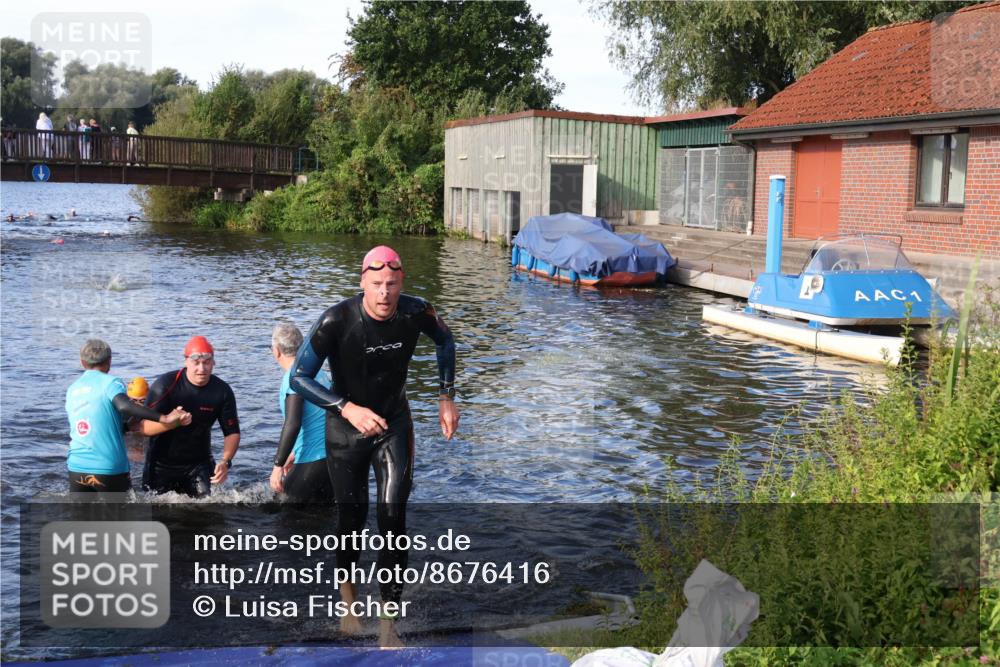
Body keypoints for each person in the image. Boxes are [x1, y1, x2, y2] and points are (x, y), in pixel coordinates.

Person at [289, 245, 459, 648]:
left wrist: (446, 396)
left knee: (393, 520)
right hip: (346, 428)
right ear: (363, 282)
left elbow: (446, 340)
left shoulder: (417, 311)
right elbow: (299, 377)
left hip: (394, 423)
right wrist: (346, 408)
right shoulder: (336, 320)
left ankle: (388, 626)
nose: (385, 293)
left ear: (402, 284)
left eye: (393, 285)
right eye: (377, 284)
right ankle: (349, 606)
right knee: (351, 521)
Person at [66, 339, 190, 493]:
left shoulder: (72, 389)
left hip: (76, 467)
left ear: (82, 362)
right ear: (109, 360)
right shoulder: (111, 383)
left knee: (82, 516)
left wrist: (126, 426)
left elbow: (96, 425)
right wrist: (165, 418)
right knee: (121, 516)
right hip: (108, 469)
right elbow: (124, 405)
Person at [141, 335, 240, 497]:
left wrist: (225, 461)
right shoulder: (165, 385)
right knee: (157, 513)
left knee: (208, 511)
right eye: (196, 362)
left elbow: (232, 432)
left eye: (207, 362)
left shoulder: (222, 391)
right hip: (160, 465)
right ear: (186, 362)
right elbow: (143, 427)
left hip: (199, 463)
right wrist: (170, 423)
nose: (202, 368)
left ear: (213, 362)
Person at [270, 323, 334, 503]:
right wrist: (293, 453)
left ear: (276, 351)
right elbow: (320, 416)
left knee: (285, 525)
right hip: (332, 461)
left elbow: (293, 423)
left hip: (312, 462)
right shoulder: (317, 372)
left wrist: (278, 465)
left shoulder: (293, 379)